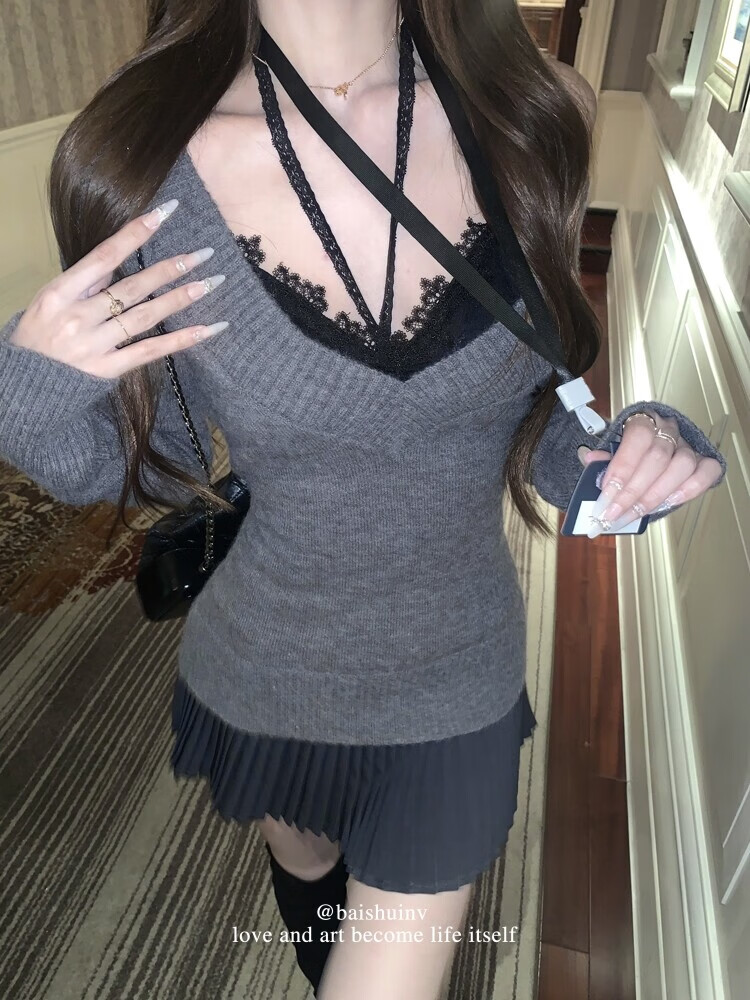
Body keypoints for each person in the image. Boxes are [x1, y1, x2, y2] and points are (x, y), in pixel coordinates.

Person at [0, 2, 727, 998]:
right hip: (267, 666)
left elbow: (537, 411)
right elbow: (147, 459)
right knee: (308, 871)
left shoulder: (532, 110)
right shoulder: (143, 165)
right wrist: (27, 392)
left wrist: (634, 454)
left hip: (452, 671)